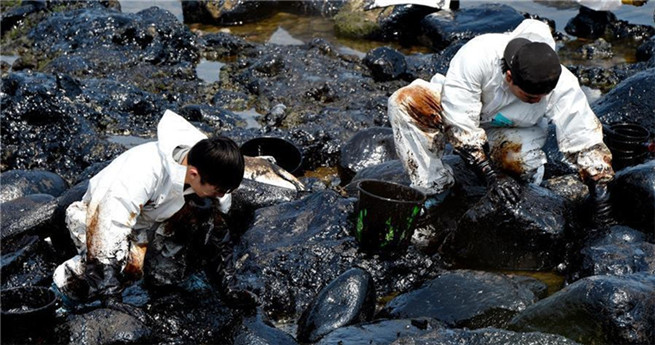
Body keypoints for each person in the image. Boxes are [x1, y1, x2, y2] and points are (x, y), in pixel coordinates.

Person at [388, 19, 615, 227]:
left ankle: (516, 189)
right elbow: (458, 119)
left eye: (543, 97)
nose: (538, 101)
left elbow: (583, 134)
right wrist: (489, 173)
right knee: (405, 101)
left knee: (521, 165)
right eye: (529, 98)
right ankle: (434, 188)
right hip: (462, 112)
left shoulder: (561, 80)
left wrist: (599, 187)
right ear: (508, 77)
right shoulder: (478, 55)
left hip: (513, 129)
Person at [53, 109, 255, 315]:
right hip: (94, 216)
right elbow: (108, 228)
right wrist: (111, 295)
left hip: (150, 218)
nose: (221, 195)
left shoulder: (209, 168)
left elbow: (218, 232)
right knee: (124, 266)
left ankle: (158, 277)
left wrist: (230, 288)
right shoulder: (143, 171)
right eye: (219, 190)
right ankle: (60, 296)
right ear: (194, 174)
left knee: (192, 232)